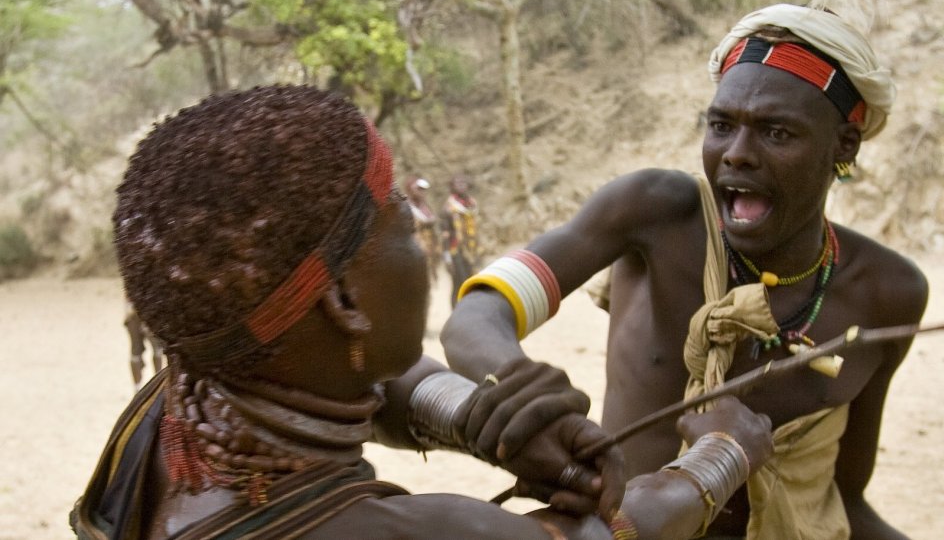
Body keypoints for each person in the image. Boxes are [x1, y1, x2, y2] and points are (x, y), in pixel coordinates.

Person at [70, 85, 772, 540]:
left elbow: (344, 391)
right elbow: (613, 532)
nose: (426, 244)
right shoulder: (410, 532)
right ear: (344, 301)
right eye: (403, 221)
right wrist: (721, 453)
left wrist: (477, 421)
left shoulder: (177, 407)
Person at [441, 0, 928, 539]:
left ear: (844, 144)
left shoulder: (889, 293)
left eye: (775, 131)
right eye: (721, 125)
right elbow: (478, 315)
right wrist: (520, 383)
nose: (737, 153)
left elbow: (841, 498)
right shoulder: (654, 215)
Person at [440, 173, 481, 306]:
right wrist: (447, 257)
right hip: (456, 251)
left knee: (472, 281)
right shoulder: (448, 208)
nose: (461, 185)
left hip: (472, 250)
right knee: (460, 282)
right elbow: (445, 234)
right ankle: (457, 313)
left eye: (463, 182)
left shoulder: (472, 204)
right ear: (452, 187)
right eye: (457, 183)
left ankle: (470, 310)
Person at [404, 175, 441, 285]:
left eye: (423, 190)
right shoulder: (407, 207)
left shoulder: (425, 206)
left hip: (431, 247)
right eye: (418, 189)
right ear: (410, 189)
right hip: (417, 249)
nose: (422, 192)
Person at [124, 298, 165, 391]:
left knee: (156, 349)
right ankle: (137, 388)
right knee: (136, 352)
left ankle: (158, 384)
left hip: (148, 310)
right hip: (135, 312)